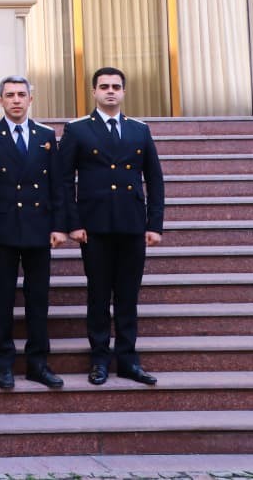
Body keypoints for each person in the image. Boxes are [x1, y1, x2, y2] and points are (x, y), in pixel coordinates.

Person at [57, 66, 165, 387]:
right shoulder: (77, 131)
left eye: (116, 86)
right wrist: (72, 224)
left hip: (132, 225)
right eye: (104, 86)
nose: (110, 91)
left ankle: (129, 360)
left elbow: (155, 180)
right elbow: (63, 181)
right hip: (95, 227)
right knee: (99, 294)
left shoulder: (139, 130)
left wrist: (154, 224)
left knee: (128, 295)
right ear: (93, 92)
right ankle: (100, 360)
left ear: (124, 91)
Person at [0, 76, 66, 390]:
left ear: (31, 99)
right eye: (10, 95)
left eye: (21, 95)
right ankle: (3, 363)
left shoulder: (45, 135)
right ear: (0, 100)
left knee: (38, 299)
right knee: (2, 301)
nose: (16, 100)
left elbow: (57, 184)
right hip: (1, 231)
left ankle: (38, 363)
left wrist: (58, 224)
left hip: (39, 228)